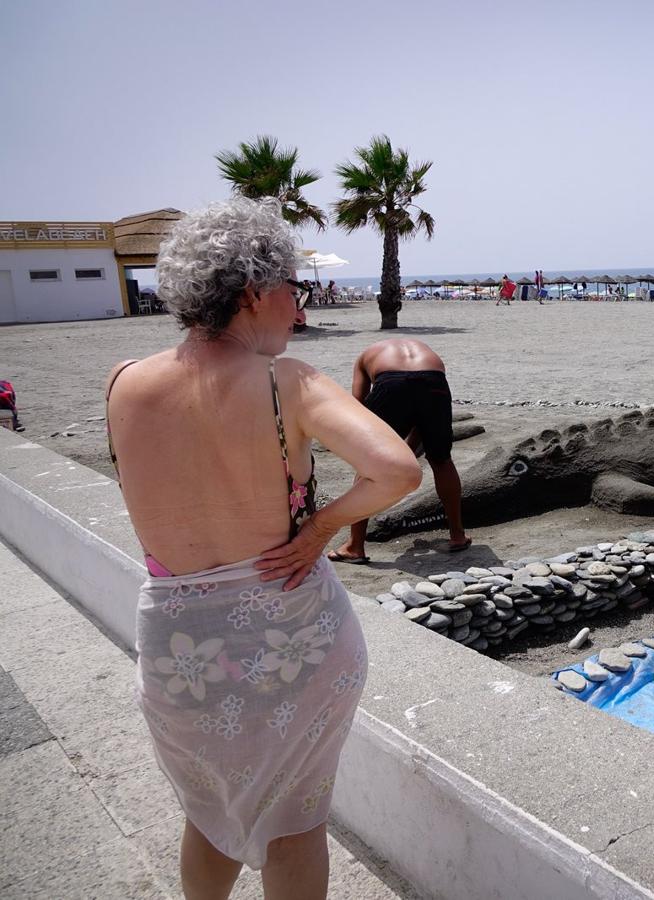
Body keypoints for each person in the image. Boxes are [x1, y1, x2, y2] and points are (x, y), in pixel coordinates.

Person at [104, 197, 421, 899]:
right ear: (253, 292)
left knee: (208, 815)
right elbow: (398, 470)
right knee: (294, 822)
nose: (298, 307)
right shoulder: (289, 384)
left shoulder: (124, 383)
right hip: (294, 642)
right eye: (292, 290)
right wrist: (321, 527)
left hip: (179, 649)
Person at [330, 338, 472, 562]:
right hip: (435, 381)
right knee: (442, 460)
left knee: (369, 466)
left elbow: (357, 406)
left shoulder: (365, 356)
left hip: (390, 383)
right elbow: (420, 411)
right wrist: (409, 447)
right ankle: (457, 535)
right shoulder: (427, 351)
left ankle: (355, 546)